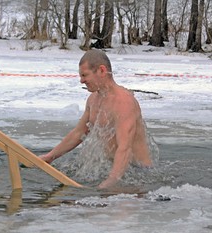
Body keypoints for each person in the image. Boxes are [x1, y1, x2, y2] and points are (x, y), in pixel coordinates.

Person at [40, 50, 153, 189]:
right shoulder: (93, 99)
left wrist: (112, 180)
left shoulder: (124, 103)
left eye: (85, 75)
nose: (81, 80)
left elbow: (125, 148)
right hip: (111, 168)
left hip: (137, 173)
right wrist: (50, 157)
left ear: (101, 70)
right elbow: (78, 133)